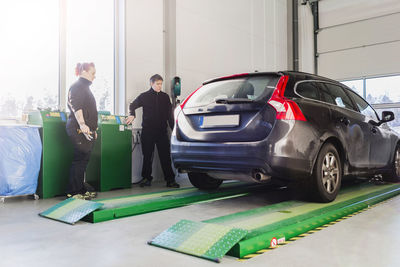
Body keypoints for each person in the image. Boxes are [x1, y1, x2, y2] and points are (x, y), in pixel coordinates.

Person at [126, 74, 179, 188]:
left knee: (165, 156)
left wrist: (174, 128)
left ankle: (170, 180)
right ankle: (146, 178)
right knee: (147, 156)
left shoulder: (165, 97)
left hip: (162, 132)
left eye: (161, 84)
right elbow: (132, 105)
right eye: (157, 84)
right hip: (148, 131)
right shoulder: (144, 96)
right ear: (151, 83)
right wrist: (132, 115)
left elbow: (170, 115)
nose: (160, 86)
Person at [65, 62, 98, 199]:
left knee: (84, 159)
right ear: (84, 71)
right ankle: (73, 192)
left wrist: (93, 129)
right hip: (78, 128)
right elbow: (76, 106)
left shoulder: (85, 88)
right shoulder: (77, 87)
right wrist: (83, 125)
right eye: (93, 73)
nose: (94, 76)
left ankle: (80, 189)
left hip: (86, 130)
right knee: (80, 159)